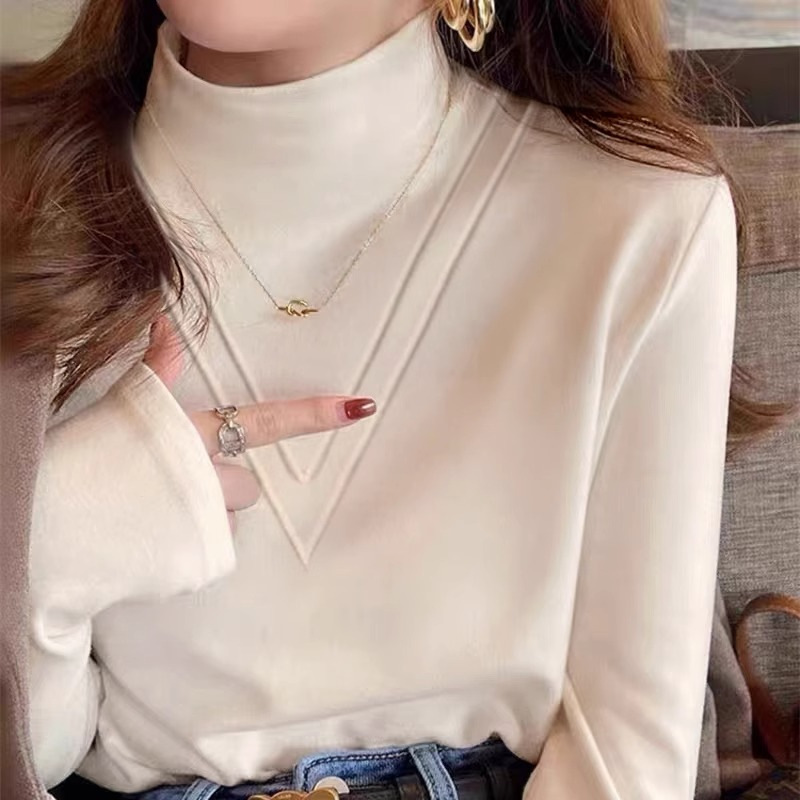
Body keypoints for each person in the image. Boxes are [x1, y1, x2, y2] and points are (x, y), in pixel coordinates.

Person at [1, 0, 778, 798]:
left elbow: (628, 768)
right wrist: (49, 542)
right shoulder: (26, 210)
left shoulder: (639, 218)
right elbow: (34, 757)